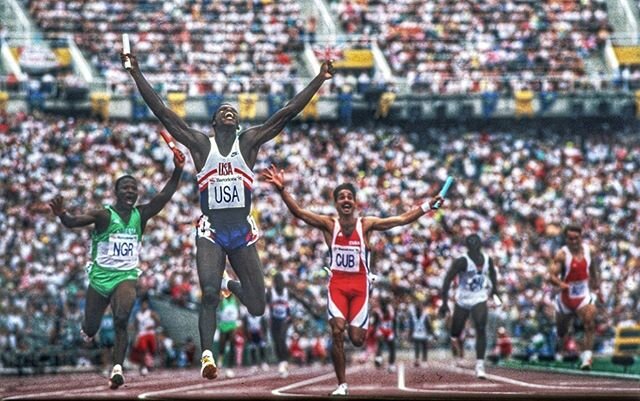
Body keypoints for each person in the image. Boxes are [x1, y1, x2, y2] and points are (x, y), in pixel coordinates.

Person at [122, 50, 334, 380]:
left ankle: (230, 285)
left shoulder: (248, 143)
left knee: (258, 306)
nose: (229, 112)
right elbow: (164, 113)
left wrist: (319, 78)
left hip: (242, 232)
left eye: (233, 110)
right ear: (214, 122)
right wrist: (136, 74)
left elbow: (287, 112)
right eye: (223, 110)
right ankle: (208, 355)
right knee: (207, 294)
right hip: (212, 230)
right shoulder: (199, 145)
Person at [262, 165, 444, 396]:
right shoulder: (329, 224)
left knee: (357, 339)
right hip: (337, 285)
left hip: (360, 287)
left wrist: (428, 205)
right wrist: (282, 190)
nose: (346, 200)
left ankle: (358, 333)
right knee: (337, 329)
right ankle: (342, 384)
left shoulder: (366, 225)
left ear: (355, 203)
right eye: (341, 197)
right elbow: (298, 212)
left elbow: (400, 219)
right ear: (336, 204)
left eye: (349, 196)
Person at [49, 150, 185, 389]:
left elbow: (164, 196)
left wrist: (178, 169)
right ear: (116, 192)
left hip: (126, 275)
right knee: (91, 326)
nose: (130, 191)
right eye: (125, 188)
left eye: (134, 188)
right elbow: (73, 222)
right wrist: (62, 214)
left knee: (121, 318)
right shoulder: (103, 215)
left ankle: (117, 369)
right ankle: (87, 329)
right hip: (101, 277)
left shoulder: (141, 214)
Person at [438, 234, 500, 379]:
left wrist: (495, 290)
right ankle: (455, 345)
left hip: (479, 297)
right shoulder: (461, 261)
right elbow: (447, 280)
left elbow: (493, 273)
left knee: (480, 328)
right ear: (467, 248)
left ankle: (480, 365)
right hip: (463, 299)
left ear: (480, 246)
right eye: (471, 247)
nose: (473, 249)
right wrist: (445, 303)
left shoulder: (487, 259)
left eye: (476, 246)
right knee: (455, 331)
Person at [547, 224, 600, 370]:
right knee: (562, 331)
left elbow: (593, 268)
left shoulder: (590, 251)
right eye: (570, 238)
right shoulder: (562, 255)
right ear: (566, 239)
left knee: (589, 322)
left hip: (583, 295)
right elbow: (551, 276)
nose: (574, 241)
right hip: (566, 298)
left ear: (581, 237)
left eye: (576, 238)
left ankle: (587, 358)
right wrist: (560, 284)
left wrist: (596, 284)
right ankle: (559, 348)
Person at [266, 272, 291, 378]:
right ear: (275, 283)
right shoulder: (270, 293)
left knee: (282, 339)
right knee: (276, 342)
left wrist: (313, 311)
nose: (280, 284)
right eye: (278, 281)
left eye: (282, 281)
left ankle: (284, 361)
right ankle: (281, 361)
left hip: (285, 320)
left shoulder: (287, 292)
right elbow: (262, 302)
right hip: (274, 320)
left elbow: (301, 300)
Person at [372, 297, 397, 372]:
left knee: (380, 345)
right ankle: (391, 365)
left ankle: (379, 358)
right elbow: (394, 321)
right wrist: (395, 331)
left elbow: (375, 323)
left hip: (381, 330)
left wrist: (375, 331)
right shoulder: (392, 309)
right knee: (392, 348)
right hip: (389, 330)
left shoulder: (377, 311)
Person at [409, 300, 433, 367]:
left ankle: (417, 360)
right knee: (424, 348)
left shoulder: (413, 315)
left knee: (417, 348)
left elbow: (411, 326)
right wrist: (431, 333)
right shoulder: (425, 315)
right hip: (423, 334)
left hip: (416, 334)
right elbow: (428, 325)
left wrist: (410, 335)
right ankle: (424, 361)